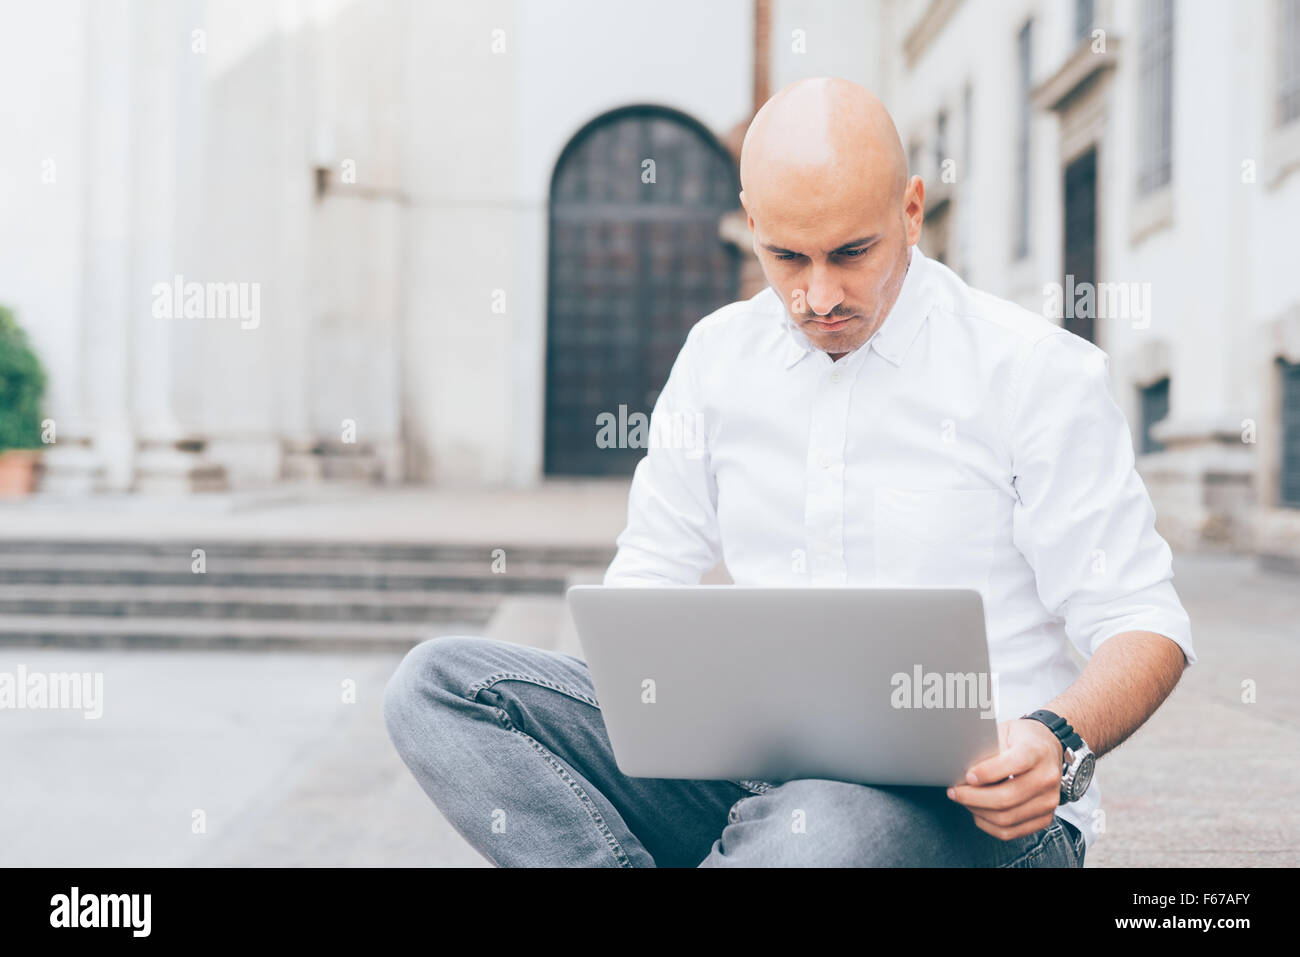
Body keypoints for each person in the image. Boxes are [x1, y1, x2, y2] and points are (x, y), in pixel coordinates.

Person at [383, 76, 1197, 867]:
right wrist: (652, 706)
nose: (818, 295)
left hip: (978, 817)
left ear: (911, 212)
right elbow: (647, 585)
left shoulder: (1035, 373)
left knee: (821, 827)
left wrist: (1056, 738)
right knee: (442, 687)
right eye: (786, 257)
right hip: (753, 780)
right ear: (750, 225)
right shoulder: (717, 357)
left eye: (851, 252)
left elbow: (1144, 623)